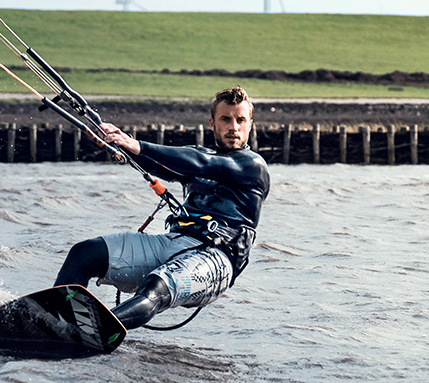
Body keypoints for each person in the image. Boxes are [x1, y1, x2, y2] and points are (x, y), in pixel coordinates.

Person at [53, 85, 270, 329]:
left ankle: (91, 330)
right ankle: (57, 320)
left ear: (250, 124)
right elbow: (163, 164)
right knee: (85, 253)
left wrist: (137, 145)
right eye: (226, 119)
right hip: (176, 241)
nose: (234, 127)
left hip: (217, 258)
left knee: (154, 288)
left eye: (241, 120)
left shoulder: (253, 166)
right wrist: (119, 142)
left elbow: (203, 163)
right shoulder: (197, 156)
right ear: (212, 124)